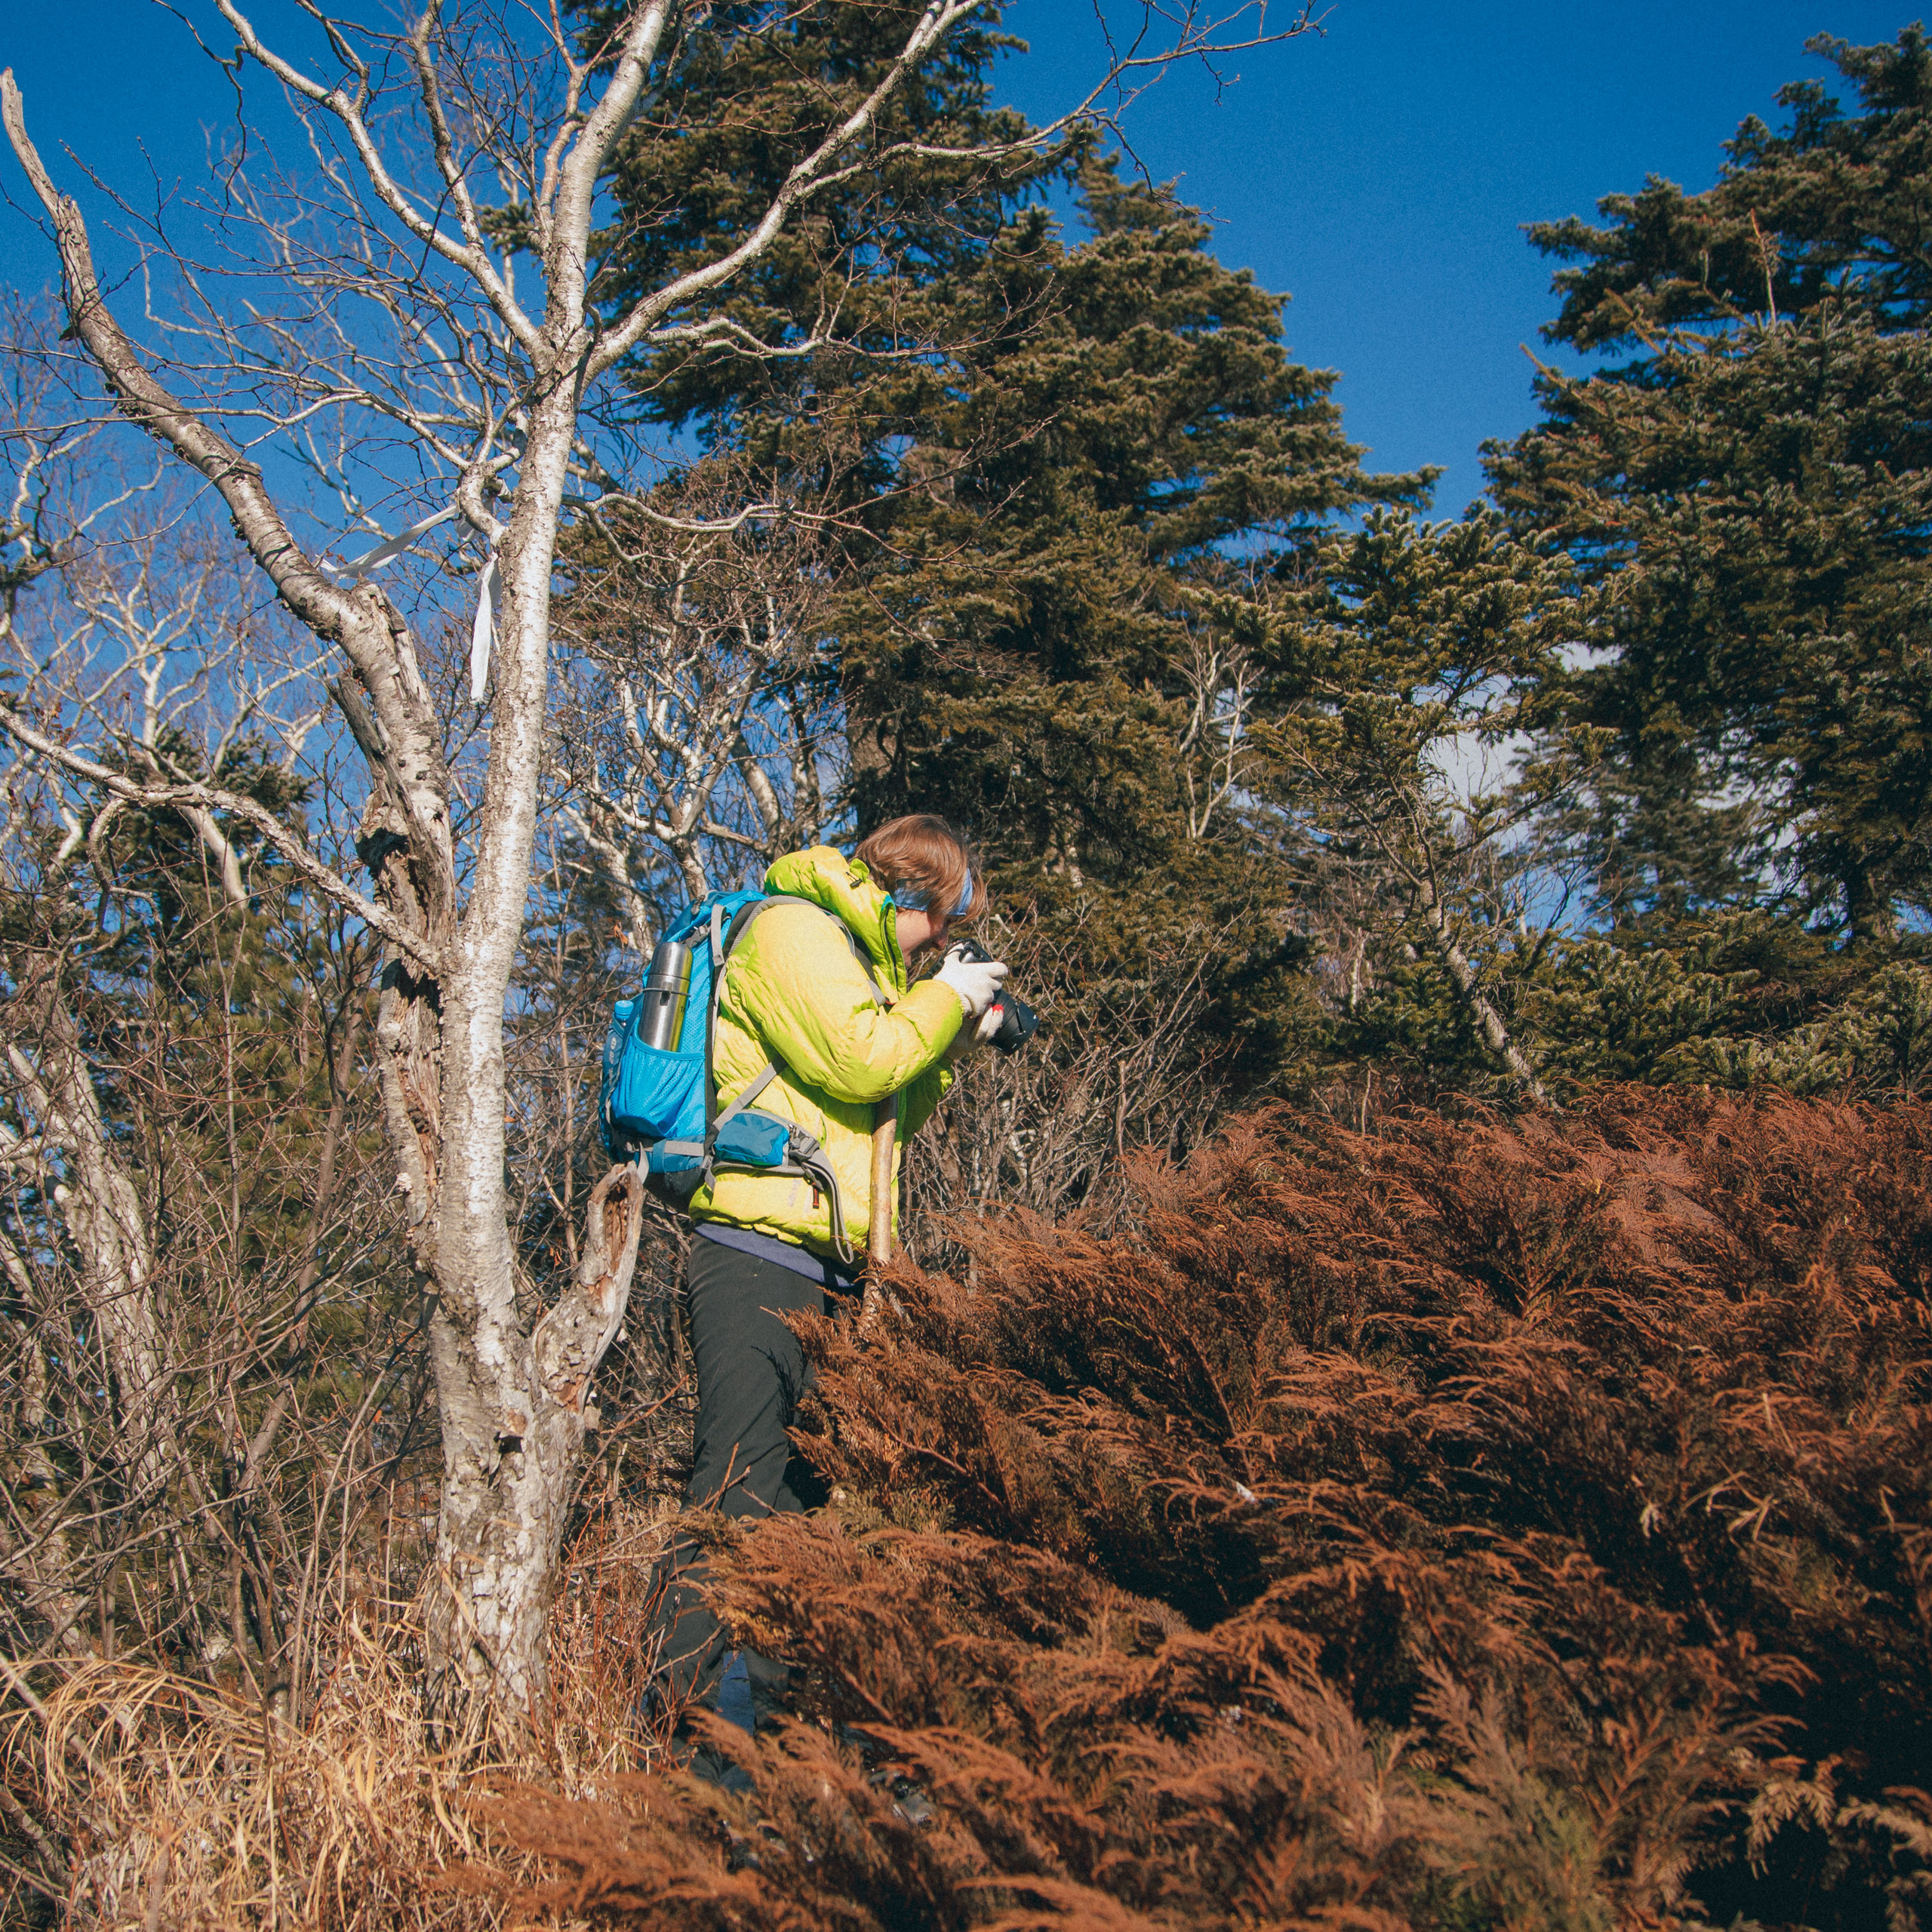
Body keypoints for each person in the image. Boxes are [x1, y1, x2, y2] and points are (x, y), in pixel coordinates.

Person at [645, 815, 1009, 1774]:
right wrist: (939, 1003)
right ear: (904, 896)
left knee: (806, 1523)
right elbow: (862, 1060)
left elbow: (890, 1105)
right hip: (752, 1258)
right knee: (735, 1496)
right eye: (938, 922)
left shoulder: (864, 969)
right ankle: (675, 1748)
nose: (937, 942)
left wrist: (953, 1030)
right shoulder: (792, 930)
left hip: (828, 1276)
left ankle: (774, 1759)